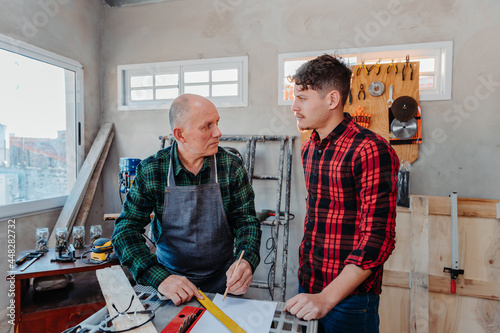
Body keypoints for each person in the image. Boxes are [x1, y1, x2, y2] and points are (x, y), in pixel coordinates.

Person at [284, 54, 399, 333]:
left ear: (332, 100)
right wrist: (314, 293)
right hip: (309, 285)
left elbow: (378, 239)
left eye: (302, 97)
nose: (294, 106)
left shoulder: (369, 149)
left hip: (349, 299)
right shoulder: (310, 147)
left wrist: (326, 298)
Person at [112, 94, 262, 305]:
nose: (218, 132)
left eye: (217, 123)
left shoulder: (231, 167)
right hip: (170, 284)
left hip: (223, 284)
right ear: (180, 135)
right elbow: (125, 230)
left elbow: (247, 222)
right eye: (207, 126)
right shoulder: (152, 170)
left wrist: (246, 261)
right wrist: (159, 277)